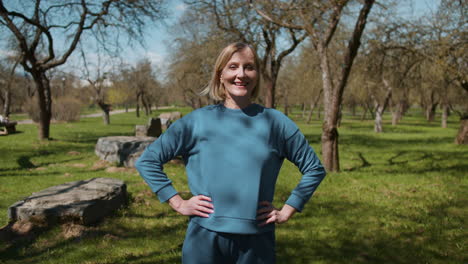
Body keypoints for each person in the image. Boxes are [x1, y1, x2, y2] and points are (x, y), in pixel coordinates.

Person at [135, 42, 326, 264]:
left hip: (258, 241)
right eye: (233, 66)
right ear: (220, 74)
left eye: (249, 67)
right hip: (204, 238)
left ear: (257, 74)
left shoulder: (276, 123)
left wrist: (288, 209)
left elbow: (314, 169)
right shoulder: (196, 122)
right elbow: (148, 161)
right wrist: (177, 202)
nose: (241, 74)